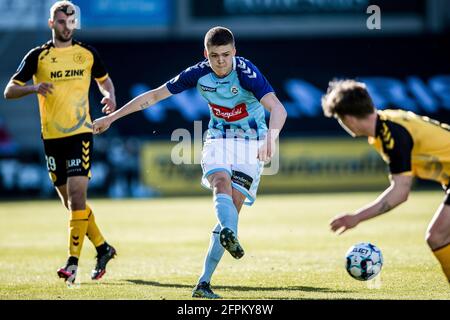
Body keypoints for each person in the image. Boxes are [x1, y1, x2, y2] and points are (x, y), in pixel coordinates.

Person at [93, 26, 287, 298]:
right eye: (215, 55)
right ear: (205, 54)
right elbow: (153, 96)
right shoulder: (197, 73)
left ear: (235, 52)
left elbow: (278, 108)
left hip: (251, 144)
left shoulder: (246, 73)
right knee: (220, 184)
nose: (220, 61)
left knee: (232, 209)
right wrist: (110, 119)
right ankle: (227, 240)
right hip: (218, 138)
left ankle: (203, 281)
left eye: (226, 55)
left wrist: (271, 139)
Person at [3, 1, 117, 284]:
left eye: (71, 21)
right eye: (61, 21)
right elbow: (9, 91)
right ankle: (103, 248)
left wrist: (109, 96)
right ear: (51, 23)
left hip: (80, 133)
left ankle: (72, 264)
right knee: (70, 204)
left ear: (75, 24)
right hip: (51, 137)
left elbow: (105, 81)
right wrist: (33, 87)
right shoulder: (37, 56)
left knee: (78, 198)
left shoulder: (87, 54)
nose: (67, 26)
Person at [322, 79, 450, 283]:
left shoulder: (391, 133)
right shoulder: (387, 123)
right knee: (438, 236)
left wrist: (356, 218)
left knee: (437, 236)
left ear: (348, 118)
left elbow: (400, 192)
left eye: (340, 118)